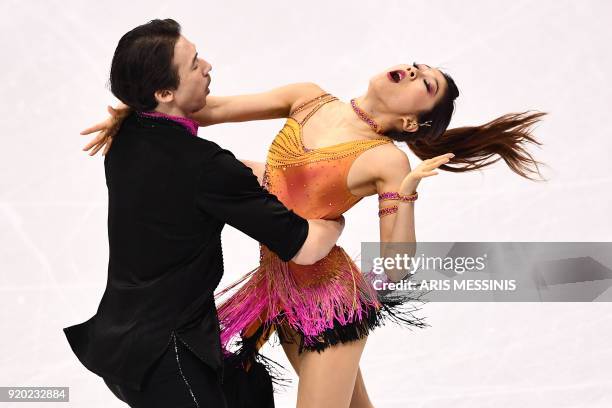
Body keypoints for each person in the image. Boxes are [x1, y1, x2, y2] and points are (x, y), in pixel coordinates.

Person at [85, 57, 547, 408]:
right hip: (279, 292)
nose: (410, 71)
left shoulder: (388, 159)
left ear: (411, 123)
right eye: (413, 65)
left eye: (424, 83)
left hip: (330, 301)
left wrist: (405, 194)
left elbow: (398, 268)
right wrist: (136, 116)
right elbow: (207, 111)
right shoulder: (306, 97)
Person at [64, 19, 346, 408]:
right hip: (167, 358)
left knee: (251, 387)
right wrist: (333, 217)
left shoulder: (127, 135)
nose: (208, 66)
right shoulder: (206, 167)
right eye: (194, 63)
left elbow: (208, 179)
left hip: (122, 341)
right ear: (163, 92)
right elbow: (306, 247)